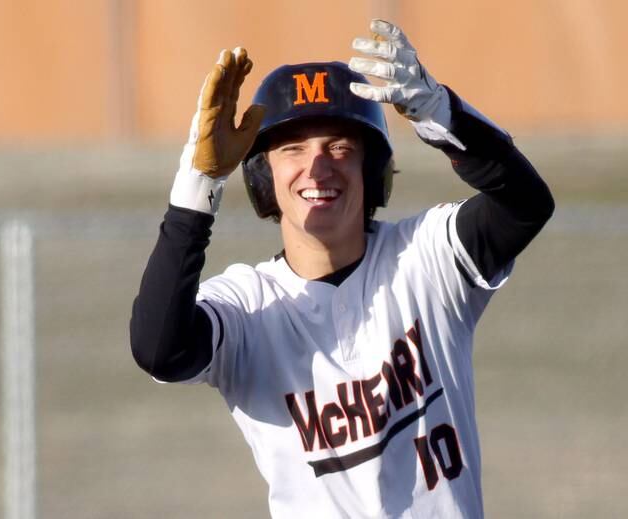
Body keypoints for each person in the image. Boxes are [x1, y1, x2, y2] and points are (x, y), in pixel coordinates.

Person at [131, 19, 554, 518]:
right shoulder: (247, 306)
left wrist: (441, 113)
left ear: (370, 171)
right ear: (265, 177)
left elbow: (524, 205)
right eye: (292, 148)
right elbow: (159, 350)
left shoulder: (425, 258)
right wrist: (199, 184)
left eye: (339, 147)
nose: (317, 167)